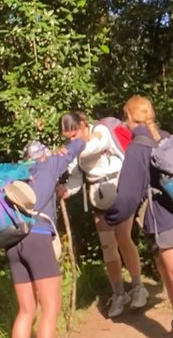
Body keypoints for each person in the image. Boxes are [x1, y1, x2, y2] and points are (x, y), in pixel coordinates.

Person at [104, 95, 173, 338]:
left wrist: (113, 217)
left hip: (163, 216)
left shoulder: (138, 147)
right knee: (166, 269)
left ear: (129, 117)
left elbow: (127, 195)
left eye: (125, 117)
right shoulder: (164, 136)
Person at [8, 137, 85, 338]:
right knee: (51, 307)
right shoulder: (48, 165)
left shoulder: (17, 176)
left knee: (26, 309)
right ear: (43, 154)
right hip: (38, 239)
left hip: (14, 242)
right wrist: (80, 137)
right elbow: (76, 147)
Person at [59, 110, 148, 318]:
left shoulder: (101, 131)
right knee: (108, 245)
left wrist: (69, 150)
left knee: (123, 237)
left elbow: (94, 146)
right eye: (67, 137)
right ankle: (119, 294)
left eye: (74, 135)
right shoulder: (75, 148)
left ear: (83, 125)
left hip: (120, 189)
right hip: (98, 197)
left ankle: (138, 287)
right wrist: (66, 191)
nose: (72, 140)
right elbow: (75, 178)